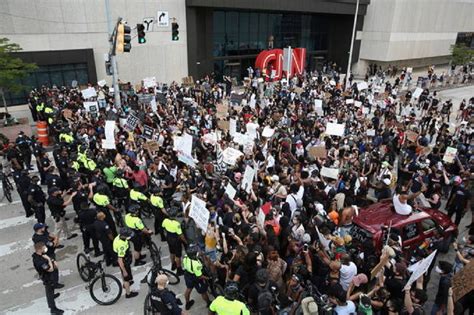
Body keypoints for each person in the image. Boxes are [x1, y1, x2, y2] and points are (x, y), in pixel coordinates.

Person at [32, 242, 65, 314]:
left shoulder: (40, 254)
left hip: (50, 275)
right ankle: (53, 309)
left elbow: (48, 258)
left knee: (51, 288)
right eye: (44, 248)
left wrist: (53, 261)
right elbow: (50, 269)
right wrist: (49, 260)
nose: (45, 248)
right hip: (47, 277)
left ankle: (52, 296)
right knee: (49, 291)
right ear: (40, 249)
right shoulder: (39, 261)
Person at [113, 227, 139, 299]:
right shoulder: (121, 245)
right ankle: (128, 293)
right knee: (126, 277)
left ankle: (126, 283)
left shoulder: (119, 237)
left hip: (125, 258)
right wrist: (124, 271)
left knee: (126, 275)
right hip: (124, 262)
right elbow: (120, 260)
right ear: (124, 236)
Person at [182, 244, 210, 310]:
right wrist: (208, 278)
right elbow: (200, 276)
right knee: (203, 292)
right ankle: (208, 303)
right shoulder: (196, 264)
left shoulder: (186, 256)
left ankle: (187, 303)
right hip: (195, 277)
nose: (198, 253)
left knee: (188, 289)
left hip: (187, 274)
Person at [162, 206, 187, 275]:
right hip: (176, 240)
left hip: (169, 238)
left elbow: (163, 228)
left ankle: (173, 265)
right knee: (178, 255)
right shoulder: (177, 224)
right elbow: (181, 235)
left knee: (172, 252)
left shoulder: (165, 220)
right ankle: (179, 270)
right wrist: (186, 242)